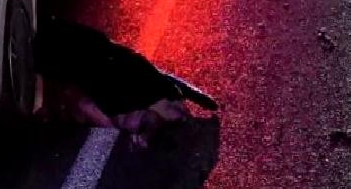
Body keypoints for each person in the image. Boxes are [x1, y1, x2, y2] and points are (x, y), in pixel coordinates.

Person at [35, 16, 219, 147]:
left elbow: (171, 82)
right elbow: (84, 105)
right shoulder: (130, 94)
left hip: (70, 42)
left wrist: (201, 98)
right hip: (59, 48)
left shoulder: (145, 86)